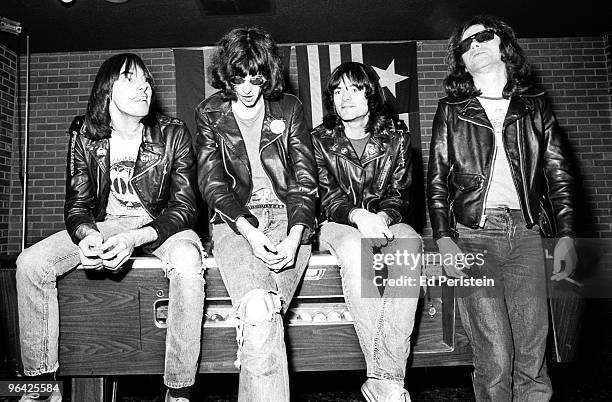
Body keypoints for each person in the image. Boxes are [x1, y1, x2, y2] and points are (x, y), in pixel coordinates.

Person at [16, 53, 205, 402]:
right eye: (131, 79)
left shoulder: (172, 133)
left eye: (146, 81)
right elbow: (77, 204)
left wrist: (133, 238)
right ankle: (42, 386)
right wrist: (88, 236)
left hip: (162, 225)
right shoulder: (84, 134)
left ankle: (179, 390)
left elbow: (185, 208)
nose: (144, 87)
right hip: (106, 224)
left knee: (189, 263)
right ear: (107, 89)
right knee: (30, 263)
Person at [427, 15, 577, 401]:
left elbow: (558, 174)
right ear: (461, 60)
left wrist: (565, 237)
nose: (473, 45)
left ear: (503, 45)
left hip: (526, 236)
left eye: (482, 37)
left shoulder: (534, 107)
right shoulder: (452, 109)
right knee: (494, 355)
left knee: (533, 354)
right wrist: (444, 239)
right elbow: (437, 181)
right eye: (465, 44)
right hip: (473, 239)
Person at [195, 26, 317, 402]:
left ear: (268, 75)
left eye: (256, 78)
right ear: (226, 75)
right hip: (235, 220)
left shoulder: (290, 108)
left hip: (289, 217)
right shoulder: (210, 113)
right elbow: (212, 184)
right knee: (261, 310)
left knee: (260, 320)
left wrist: (296, 236)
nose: (247, 88)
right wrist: (248, 229)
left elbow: (305, 180)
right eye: (238, 78)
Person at [312, 61, 421, 402]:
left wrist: (384, 218)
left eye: (354, 88)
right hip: (338, 222)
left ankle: (381, 380)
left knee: (412, 244)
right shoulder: (319, 140)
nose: (345, 96)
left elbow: (401, 194)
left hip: (386, 219)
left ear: (370, 94)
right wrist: (358, 215)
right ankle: (388, 378)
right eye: (338, 90)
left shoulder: (397, 138)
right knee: (355, 249)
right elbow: (325, 196)